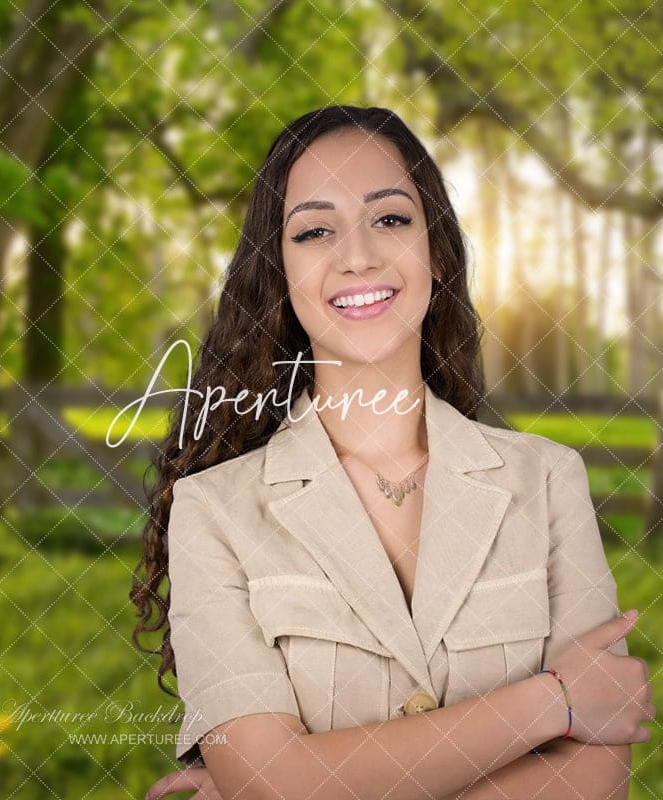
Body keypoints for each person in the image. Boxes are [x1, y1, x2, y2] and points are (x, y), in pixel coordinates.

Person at [130, 105, 653, 800]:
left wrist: (312, 781)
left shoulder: (549, 481)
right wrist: (553, 701)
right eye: (315, 231)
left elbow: (596, 779)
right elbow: (272, 785)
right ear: (279, 272)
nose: (358, 256)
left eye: (390, 218)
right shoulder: (213, 513)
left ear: (436, 251)